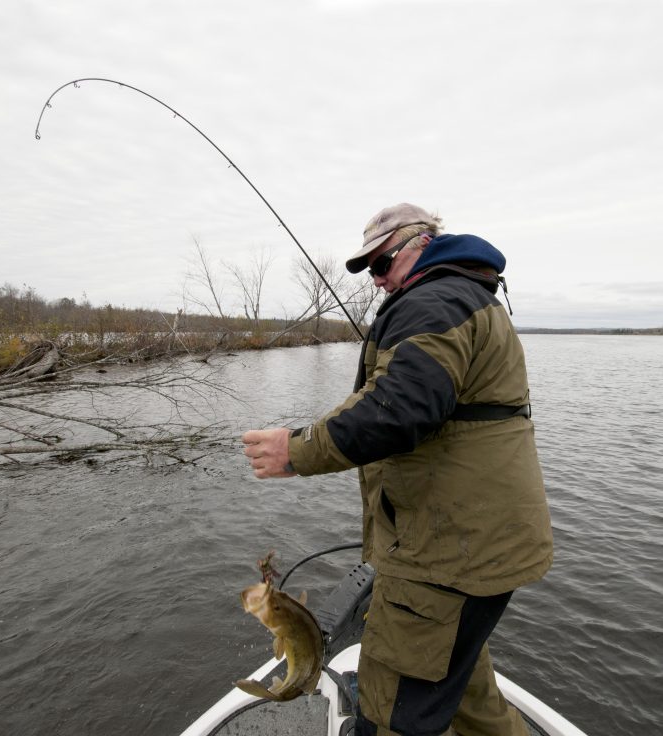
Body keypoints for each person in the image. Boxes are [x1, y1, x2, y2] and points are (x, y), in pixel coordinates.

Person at [242, 202, 553, 736]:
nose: (378, 280)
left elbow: (397, 410)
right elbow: (383, 398)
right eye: (370, 270)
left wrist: (296, 451)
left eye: (383, 264)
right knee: (469, 695)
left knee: (391, 711)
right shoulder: (466, 296)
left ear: (422, 244)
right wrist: (309, 439)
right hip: (486, 546)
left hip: (444, 557)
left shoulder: (434, 301)